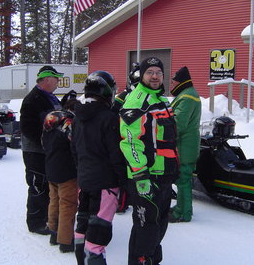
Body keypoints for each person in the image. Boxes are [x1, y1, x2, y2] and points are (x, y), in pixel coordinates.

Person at [120, 57, 179, 265]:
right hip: (146, 176)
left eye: (158, 72)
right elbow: (129, 141)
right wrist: (140, 173)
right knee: (146, 226)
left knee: (159, 224)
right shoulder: (137, 100)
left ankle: (152, 259)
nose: (154, 76)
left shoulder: (161, 100)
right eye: (150, 72)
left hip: (164, 175)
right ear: (142, 75)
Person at [71, 70, 126, 265]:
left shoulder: (78, 116)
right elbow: (116, 154)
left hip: (85, 180)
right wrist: (125, 182)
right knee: (98, 234)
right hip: (105, 184)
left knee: (83, 226)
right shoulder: (108, 118)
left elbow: (74, 151)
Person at [20, 65, 63, 235]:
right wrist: (46, 140)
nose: (58, 82)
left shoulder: (50, 98)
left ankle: (46, 217)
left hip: (49, 150)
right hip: (35, 151)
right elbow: (28, 128)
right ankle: (36, 222)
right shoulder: (33, 99)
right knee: (38, 185)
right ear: (47, 80)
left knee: (47, 185)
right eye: (56, 79)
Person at [42, 97, 78, 253]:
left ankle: (53, 232)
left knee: (54, 201)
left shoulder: (51, 119)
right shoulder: (69, 122)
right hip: (66, 169)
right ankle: (65, 240)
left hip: (51, 166)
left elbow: (43, 141)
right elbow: (74, 144)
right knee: (68, 204)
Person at [169, 66, 201, 223]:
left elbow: (178, 124)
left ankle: (183, 213)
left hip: (184, 146)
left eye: (173, 81)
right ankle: (181, 208)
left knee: (183, 179)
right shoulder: (187, 94)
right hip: (186, 145)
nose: (171, 84)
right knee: (184, 179)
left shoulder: (187, 97)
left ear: (180, 81)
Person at [111, 62, 140, 214]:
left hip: (140, 141)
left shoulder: (149, 98)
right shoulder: (123, 97)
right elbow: (113, 115)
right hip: (123, 140)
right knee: (124, 173)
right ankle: (122, 202)